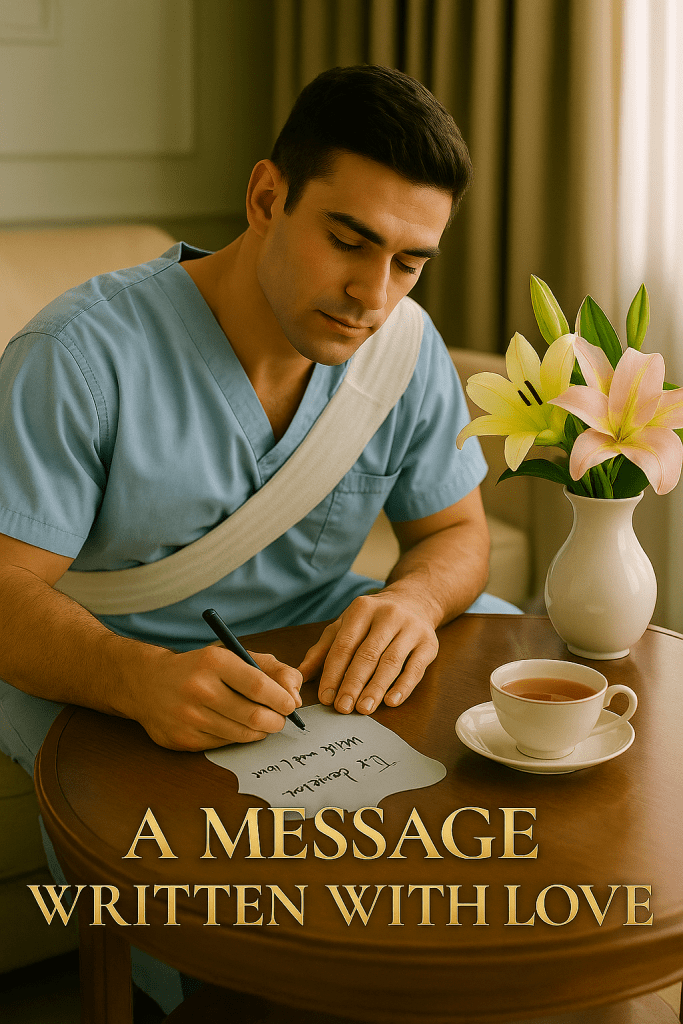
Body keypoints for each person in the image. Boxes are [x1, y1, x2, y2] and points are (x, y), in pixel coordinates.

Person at [0, 64, 517, 1011]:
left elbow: (453, 531)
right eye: (349, 241)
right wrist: (134, 679)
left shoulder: (403, 346)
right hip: (102, 660)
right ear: (266, 197)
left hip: (313, 646)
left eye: (408, 262)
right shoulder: (78, 355)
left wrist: (409, 598)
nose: (373, 294)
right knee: (238, 973)